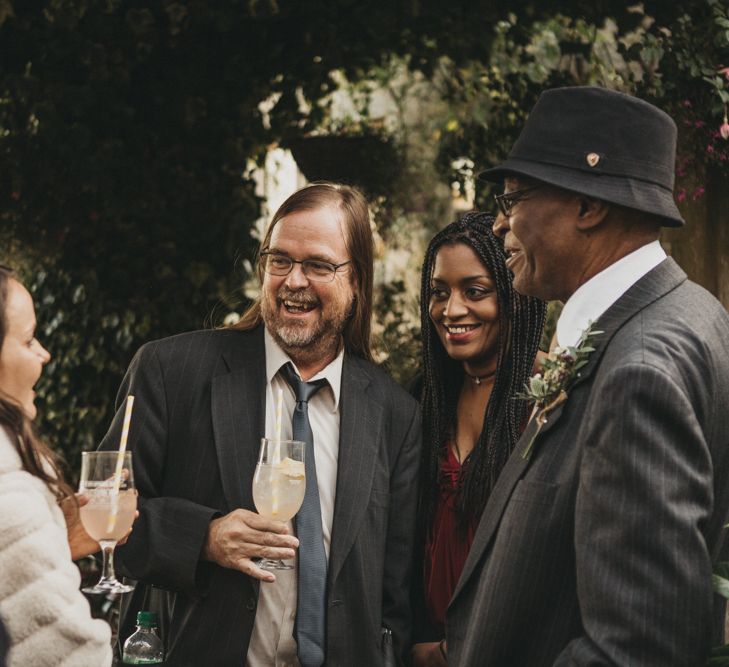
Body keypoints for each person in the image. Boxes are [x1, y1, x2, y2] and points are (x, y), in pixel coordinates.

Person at [445, 85, 729, 666]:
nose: (500, 226)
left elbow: (639, 644)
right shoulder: (692, 310)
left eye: (513, 198)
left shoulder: (638, 371)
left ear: (588, 206)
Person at [100, 182, 422, 666]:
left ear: (356, 281)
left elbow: (395, 591)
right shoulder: (171, 370)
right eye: (280, 260)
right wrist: (203, 538)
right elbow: (104, 517)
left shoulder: (396, 415)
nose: (294, 280)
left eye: (318, 265)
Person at [410, 213, 544, 666]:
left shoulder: (549, 397)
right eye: (439, 292)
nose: (451, 310)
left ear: (514, 296)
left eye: (475, 291)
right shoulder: (425, 398)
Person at [0, 266, 113, 667]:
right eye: (29, 339)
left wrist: (54, 544)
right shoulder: (12, 495)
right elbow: (68, 652)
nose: (44, 353)